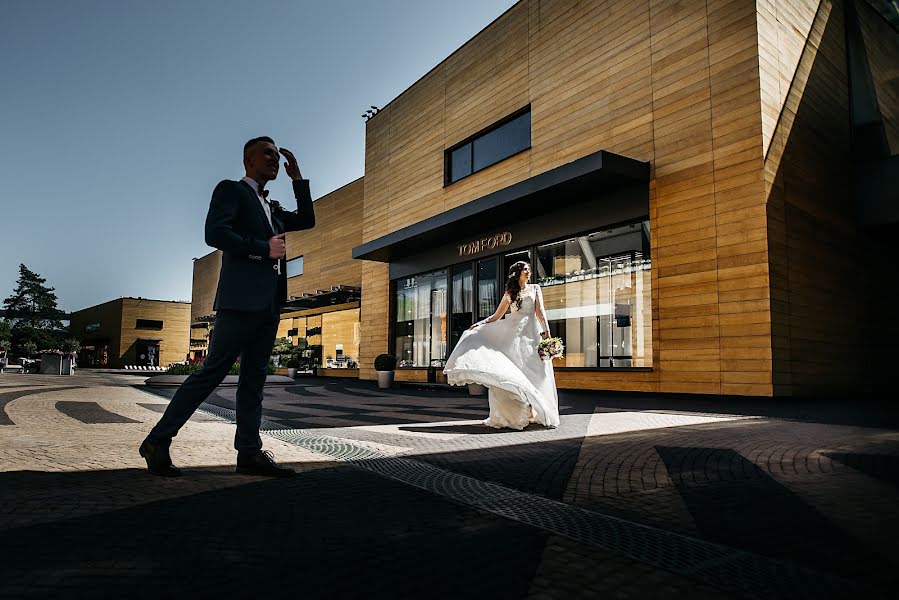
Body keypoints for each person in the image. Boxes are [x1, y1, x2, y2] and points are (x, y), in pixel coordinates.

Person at [139, 137, 315, 477]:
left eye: (277, 155)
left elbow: (306, 219)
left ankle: (248, 453)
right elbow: (214, 233)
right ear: (248, 160)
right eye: (267, 153)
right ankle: (157, 441)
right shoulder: (231, 190)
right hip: (239, 299)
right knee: (212, 372)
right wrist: (261, 249)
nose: (274, 158)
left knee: (254, 382)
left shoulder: (273, 208)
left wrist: (298, 181)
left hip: (268, 304)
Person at [443, 261, 560, 430]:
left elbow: (540, 312)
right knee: (516, 372)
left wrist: (547, 333)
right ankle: (516, 413)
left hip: (532, 335)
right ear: (517, 273)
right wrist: (479, 324)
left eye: (528, 269)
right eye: (525, 270)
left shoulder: (535, 289)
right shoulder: (509, 293)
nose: (528, 272)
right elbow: (496, 316)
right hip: (513, 337)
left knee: (537, 373)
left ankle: (538, 410)